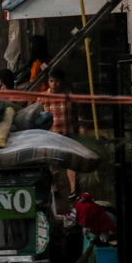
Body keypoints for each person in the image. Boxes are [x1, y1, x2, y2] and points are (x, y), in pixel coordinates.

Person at [41, 68, 77, 196]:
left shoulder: (69, 95)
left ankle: (73, 190)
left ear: (62, 82)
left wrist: (82, 129)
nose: (53, 84)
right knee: (53, 163)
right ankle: (54, 189)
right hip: (53, 134)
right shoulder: (44, 97)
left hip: (68, 131)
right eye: (51, 81)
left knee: (71, 162)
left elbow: (78, 113)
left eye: (56, 81)